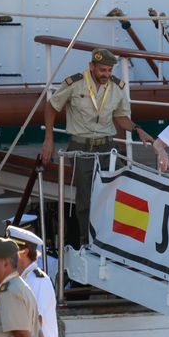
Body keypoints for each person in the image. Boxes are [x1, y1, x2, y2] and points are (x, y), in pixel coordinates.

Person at [41, 48, 155, 246]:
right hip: (81, 147)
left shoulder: (117, 87)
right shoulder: (75, 83)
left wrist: (138, 129)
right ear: (91, 66)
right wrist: (48, 139)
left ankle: (118, 240)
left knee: (121, 187)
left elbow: (120, 117)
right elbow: (52, 106)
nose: (107, 75)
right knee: (86, 198)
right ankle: (87, 242)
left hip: (107, 147)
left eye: (110, 71)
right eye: (103, 70)